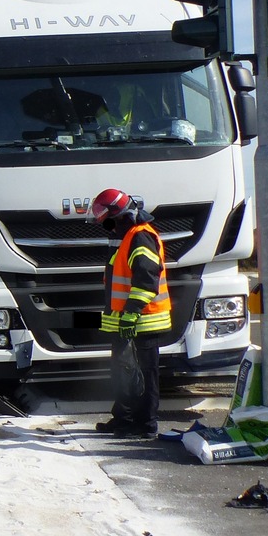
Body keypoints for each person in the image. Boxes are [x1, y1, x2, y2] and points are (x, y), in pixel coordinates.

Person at [90, 188, 171, 439]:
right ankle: (124, 419)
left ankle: (145, 425)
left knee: (144, 377)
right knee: (123, 375)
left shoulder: (140, 237)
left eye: (109, 222)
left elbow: (146, 280)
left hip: (142, 322)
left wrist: (131, 314)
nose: (108, 227)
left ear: (121, 216)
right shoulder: (128, 237)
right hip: (127, 323)